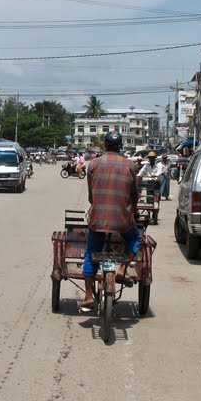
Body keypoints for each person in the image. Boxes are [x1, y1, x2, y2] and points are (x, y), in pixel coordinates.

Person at [81, 131, 142, 312]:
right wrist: (132, 212)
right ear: (120, 145)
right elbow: (134, 196)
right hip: (122, 220)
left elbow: (91, 197)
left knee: (91, 252)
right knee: (135, 238)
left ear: (105, 145)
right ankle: (122, 268)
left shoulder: (93, 164)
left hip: (98, 220)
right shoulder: (130, 165)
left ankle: (88, 296)